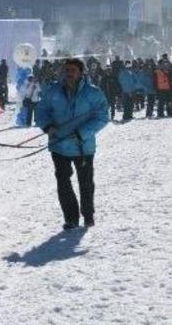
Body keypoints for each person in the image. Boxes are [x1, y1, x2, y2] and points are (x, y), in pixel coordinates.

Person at [35, 58, 110, 230]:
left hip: (83, 146)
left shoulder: (93, 93)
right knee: (63, 182)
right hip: (59, 146)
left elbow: (103, 117)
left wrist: (81, 133)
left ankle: (88, 215)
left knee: (86, 182)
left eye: (73, 70)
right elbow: (41, 110)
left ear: (81, 73)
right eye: (67, 70)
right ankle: (71, 218)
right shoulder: (53, 90)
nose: (69, 73)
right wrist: (48, 126)